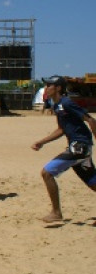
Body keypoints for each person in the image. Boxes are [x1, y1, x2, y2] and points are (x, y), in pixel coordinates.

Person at [31, 75, 96, 223]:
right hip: (79, 148)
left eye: (49, 85)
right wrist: (42, 142)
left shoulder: (67, 103)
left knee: (46, 173)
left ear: (58, 88)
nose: (46, 88)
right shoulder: (57, 106)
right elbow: (61, 129)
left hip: (79, 147)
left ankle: (56, 212)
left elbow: (90, 119)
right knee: (93, 183)